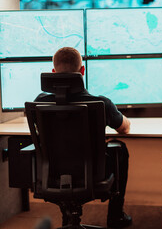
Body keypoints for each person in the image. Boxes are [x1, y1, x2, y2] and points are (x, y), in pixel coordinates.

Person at [35, 47, 132, 229]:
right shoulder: (101, 103)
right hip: (94, 174)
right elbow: (124, 128)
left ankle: (67, 217)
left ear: (54, 72)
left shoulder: (39, 103)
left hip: (53, 175)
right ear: (82, 71)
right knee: (120, 148)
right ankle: (115, 216)